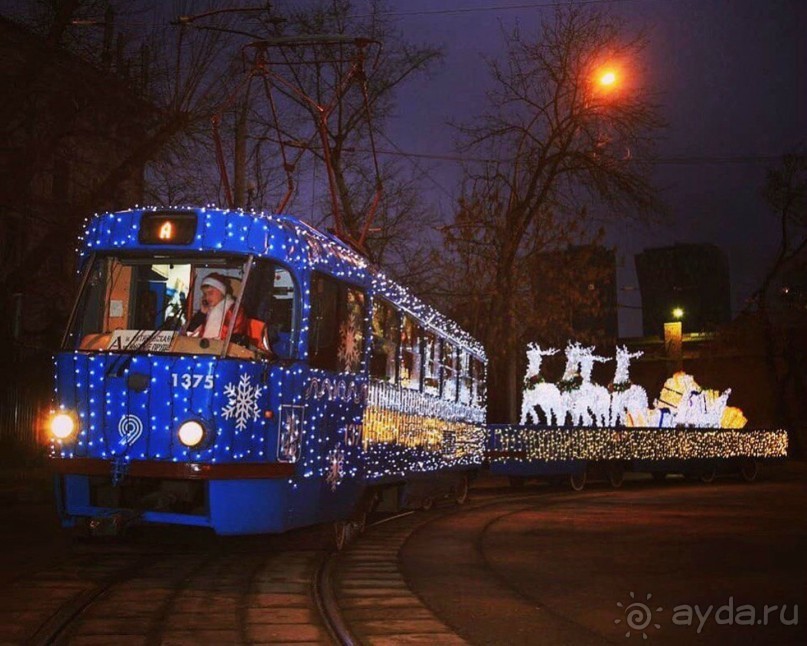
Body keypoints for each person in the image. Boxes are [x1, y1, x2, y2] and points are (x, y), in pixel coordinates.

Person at [187, 273, 246, 340]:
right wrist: (201, 313)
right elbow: (189, 334)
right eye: (205, 294)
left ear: (222, 291)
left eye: (210, 293)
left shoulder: (234, 310)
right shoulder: (206, 312)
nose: (207, 297)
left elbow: (237, 336)